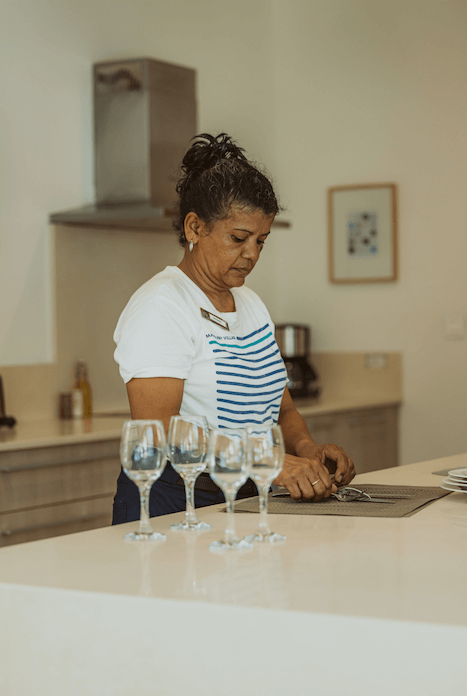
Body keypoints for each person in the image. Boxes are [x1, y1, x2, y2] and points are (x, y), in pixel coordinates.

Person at [112, 133, 355, 524]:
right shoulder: (163, 305)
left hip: (244, 498)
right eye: (238, 238)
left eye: (262, 240)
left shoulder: (250, 305)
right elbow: (158, 430)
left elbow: (282, 408)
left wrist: (308, 450)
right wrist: (270, 461)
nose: (252, 254)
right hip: (173, 500)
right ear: (194, 228)